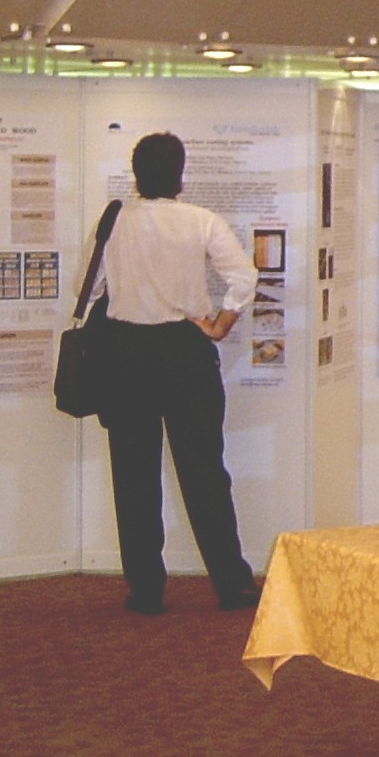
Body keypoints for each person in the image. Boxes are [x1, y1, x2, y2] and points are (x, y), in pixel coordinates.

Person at [95, 132, 261, 615]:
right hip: (185, 351)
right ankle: (231, 582)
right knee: (204, 468)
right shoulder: (200, 220)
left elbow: (93, 287)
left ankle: (146, 590)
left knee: (133, 474)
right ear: (179, 173)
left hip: (126, 352)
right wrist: (220, 324)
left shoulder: (113, 221)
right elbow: (243, 277)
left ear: (136, 173)